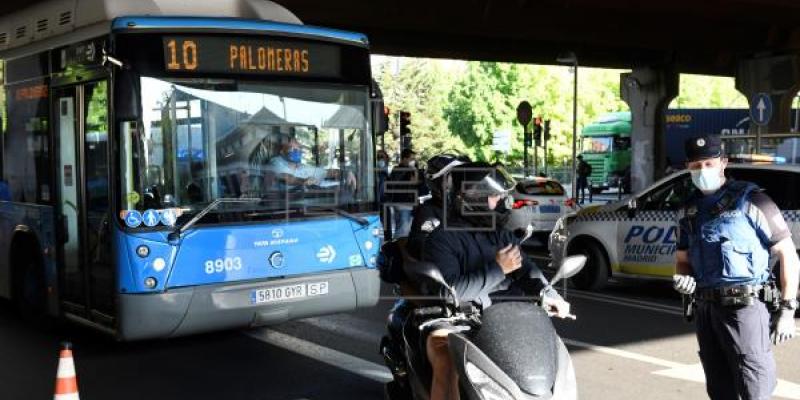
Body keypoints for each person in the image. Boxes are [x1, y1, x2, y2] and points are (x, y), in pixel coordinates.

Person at [421, 161, 571, 400]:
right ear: (473, 198)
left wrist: (548, 294)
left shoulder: (498, 233)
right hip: (461, 321)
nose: (500, 202)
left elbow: (527, 269)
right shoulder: (442, 239)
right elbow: (449, 292)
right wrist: (498, 270)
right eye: (493, 197)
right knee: (446, 360)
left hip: (508, 319)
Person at [673, 134, 799, 400]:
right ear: (688, 167)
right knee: (719, 389)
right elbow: (683, 260)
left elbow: (787, 254)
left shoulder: (752, 200)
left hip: (745, 308)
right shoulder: (687, 211)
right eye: (696, 166)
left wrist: (788, 310)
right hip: (706, 309)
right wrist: (682, 278)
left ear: (723, 163)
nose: (702, 170)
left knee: (754, 388)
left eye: (708, 163)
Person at [407, 153, 470, 259]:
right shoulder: (429, 214)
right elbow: (423, 251)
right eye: (456, 179)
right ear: (438, 183)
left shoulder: (465, 209)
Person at [269, 138, 356, 191]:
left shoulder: (302, 167)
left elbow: (327, 172)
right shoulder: (276, 162)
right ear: (281, 151)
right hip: (281, 208)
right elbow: (288, 178)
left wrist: (345, 172)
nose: (296, 151)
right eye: (291, 148)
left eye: (298, 149)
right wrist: (303, 181)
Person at [386, 148, 419, 238]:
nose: (413, 161)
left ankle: (400, 247)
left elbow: (416, 183)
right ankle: (398, 249)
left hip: (408, 203)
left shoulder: (410, 170)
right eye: (411, 159)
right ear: (404, 159)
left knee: (405, 228)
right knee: (403, 230)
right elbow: (411, 182)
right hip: (402, 203)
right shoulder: (398, 170)